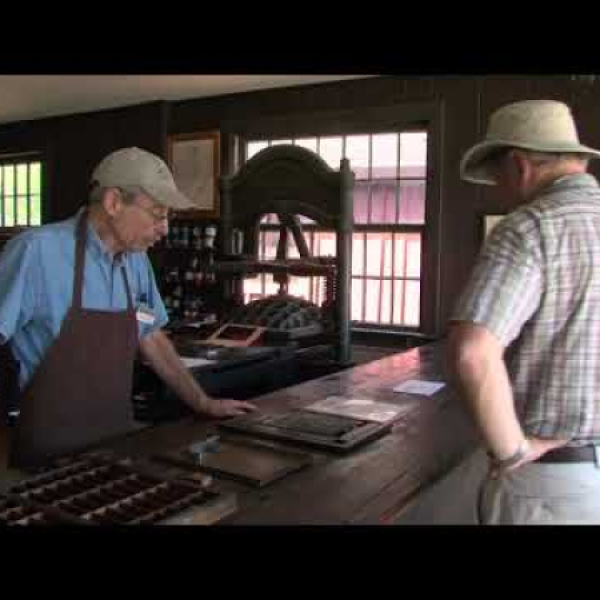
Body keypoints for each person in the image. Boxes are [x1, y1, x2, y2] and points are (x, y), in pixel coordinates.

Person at [0, 147, 256, 468]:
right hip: (48, 455)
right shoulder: (36, 252)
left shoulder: (136, 261)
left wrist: (203, 403)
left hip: (115, 444)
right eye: (158, 214)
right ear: (113, 202)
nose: (165, 229)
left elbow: (150, 336)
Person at [447, 100, 600, 525]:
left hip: (554, 485)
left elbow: (472, 353)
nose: (499, 189)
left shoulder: (531, 226)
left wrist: (513, 452)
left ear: (518, 165)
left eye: (497, 176)